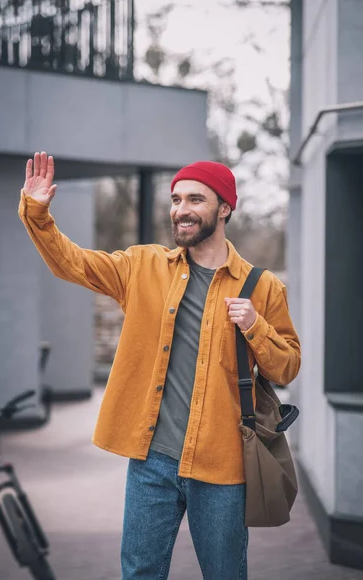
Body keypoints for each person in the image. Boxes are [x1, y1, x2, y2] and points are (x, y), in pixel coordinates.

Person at [19, 152, 301, 580]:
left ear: (225, 208)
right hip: (152, 461)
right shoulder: (142, 266)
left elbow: (287, 368)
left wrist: (255, 326)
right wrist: (38, 213)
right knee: (139, 573)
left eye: (195, 199)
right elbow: (71, 262)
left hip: (222, 464)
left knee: (225, 574)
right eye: (176, 199)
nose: (181, 210)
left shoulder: (263, 287)